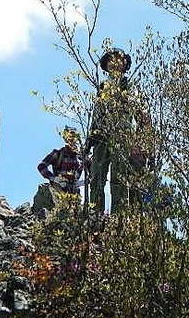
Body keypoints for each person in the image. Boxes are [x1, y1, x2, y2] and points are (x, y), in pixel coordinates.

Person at [87, 48, 151, 213]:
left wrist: (140, 142)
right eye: (111, 59)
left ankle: (119, 220)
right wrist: (89, 140)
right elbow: (96, 114)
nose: (114, 62)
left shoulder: (130, 87)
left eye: (119, 59)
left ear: (125, 64)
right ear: (106, 65)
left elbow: (142, 115)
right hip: (101, 137)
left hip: (122, 137)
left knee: (119, 179)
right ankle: (95, 217)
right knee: (96, 178)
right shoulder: (102, 87)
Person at [37, 126, 83, 196]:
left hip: (74, 193)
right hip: (58, 192)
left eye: (74, 137)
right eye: (70, 137)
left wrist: (81, 182)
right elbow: (41, 166)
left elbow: (91, 171)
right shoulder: (58, 154)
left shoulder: (80, 158)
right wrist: (55, 179)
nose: (72, 140)